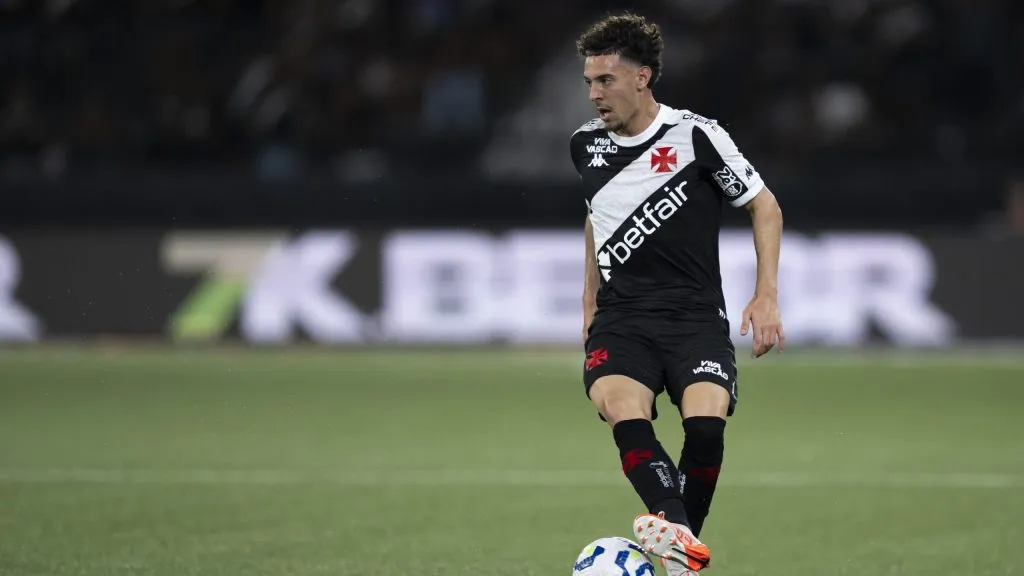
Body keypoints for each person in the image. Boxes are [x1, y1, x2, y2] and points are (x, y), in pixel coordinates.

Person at [569, 12, 786, 575]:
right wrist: (590, 303)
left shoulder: (695, 135)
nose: (594, 93)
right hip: (623, 318)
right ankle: (682, 545)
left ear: (642, 77)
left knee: (706, 428)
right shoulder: (584, 146)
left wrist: (766, 295)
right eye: (589, 82)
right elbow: (597, 217)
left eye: (605, 80)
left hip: (693, 317)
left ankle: (679, 540)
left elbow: (764, 205)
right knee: (623, 409)